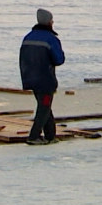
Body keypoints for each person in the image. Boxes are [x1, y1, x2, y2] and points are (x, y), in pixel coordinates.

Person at [19, 9, 65, 145]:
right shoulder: (51, 39)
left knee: (44, 106)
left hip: (29, 77)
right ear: (49, 22)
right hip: (45, 79)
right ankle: (34, 136)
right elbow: (59, 59)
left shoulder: (28, 37)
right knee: (44, 107)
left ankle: (50, 135)